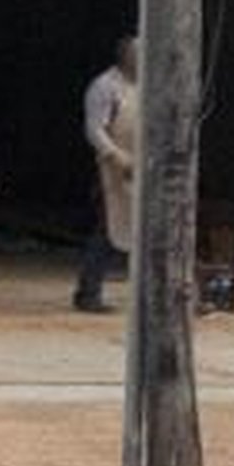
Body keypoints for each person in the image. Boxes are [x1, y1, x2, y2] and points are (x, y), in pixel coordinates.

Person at [75, 35, 141, 314]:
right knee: (109, 230)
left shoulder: (148, 85)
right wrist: (117, 157)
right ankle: (88, 292)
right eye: (138, 53)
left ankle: (147, 291)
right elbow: (94, 129)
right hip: (114, 171)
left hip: (144, 167)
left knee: (146, 232)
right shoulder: (105, 86)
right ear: (125, 56)